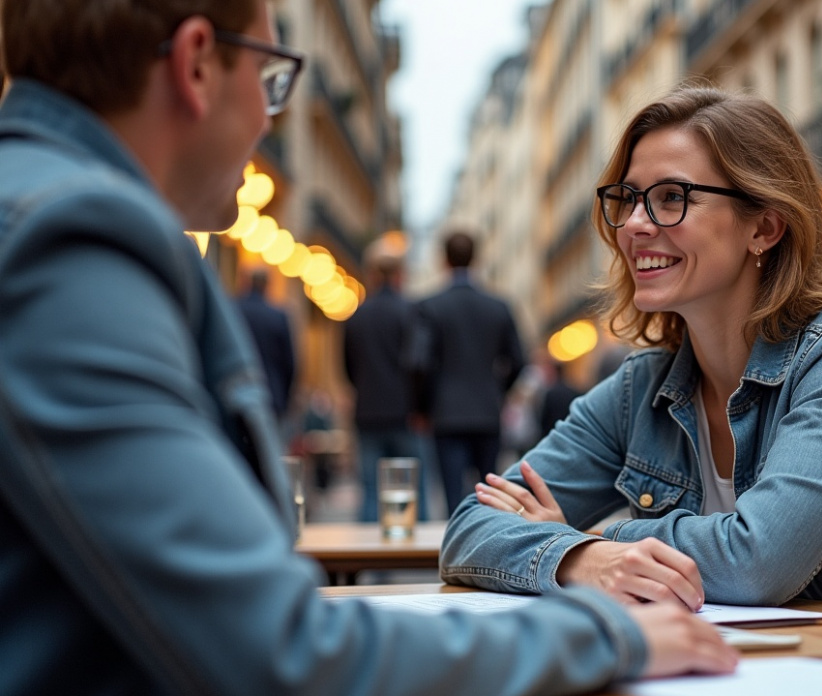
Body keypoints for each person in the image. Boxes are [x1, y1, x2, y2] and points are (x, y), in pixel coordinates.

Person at [0, 2, 734, 693]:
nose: (269, 113)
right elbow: (279, 652)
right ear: (195, 64)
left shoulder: (46, 212)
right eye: (269, 78)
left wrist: (567, 545)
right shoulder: (69, 240)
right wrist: (605, 632)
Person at [442, 87, 822, 620]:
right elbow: (469, 529)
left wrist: (590, 538)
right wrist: (584, 561)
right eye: (628, 199)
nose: (634, 225)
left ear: (765, 226)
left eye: (670, 198)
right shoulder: (643, 389)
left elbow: (758, 562)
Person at [414, 231, 526, 515]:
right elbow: (519, 360)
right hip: (487, 411)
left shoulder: (430, 306)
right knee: (488, 496)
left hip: (446, 413)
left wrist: (424, 406)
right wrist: (497, 391)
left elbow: (419, 362)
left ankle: (454, 553)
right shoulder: (498, 306)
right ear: (476, 259)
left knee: (453, 497)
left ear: (444, 260)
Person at [343, 247, 424, 522]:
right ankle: (419, 560)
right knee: (415, 492)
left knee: (368, 490)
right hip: (406, 413)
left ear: (372, 274)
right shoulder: (410, 312)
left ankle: (372, 562)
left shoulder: (356, 316)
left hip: (367, 412)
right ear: (399, 274)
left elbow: (348, 368)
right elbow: (419, 364)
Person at [235, 266, 296, 426]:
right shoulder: (278, 316)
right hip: (272, 395)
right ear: (267, 285)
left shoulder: (234, 310)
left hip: (238, 392)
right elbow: (289, 363)